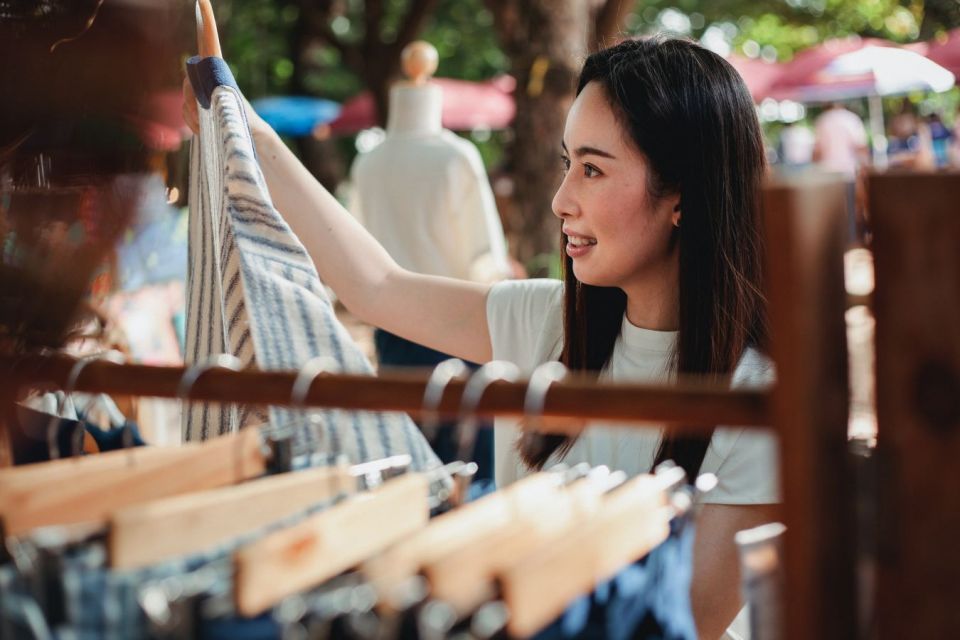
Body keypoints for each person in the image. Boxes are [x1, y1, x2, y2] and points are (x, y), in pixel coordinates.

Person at [183, 36, 778, 638]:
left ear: (682, 194)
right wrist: (238, 122)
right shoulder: (546, 324)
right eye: (566, 163)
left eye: (593, 170)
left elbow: (687, 624)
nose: (560, 200)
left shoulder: (755, 398)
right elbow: (377, 286)